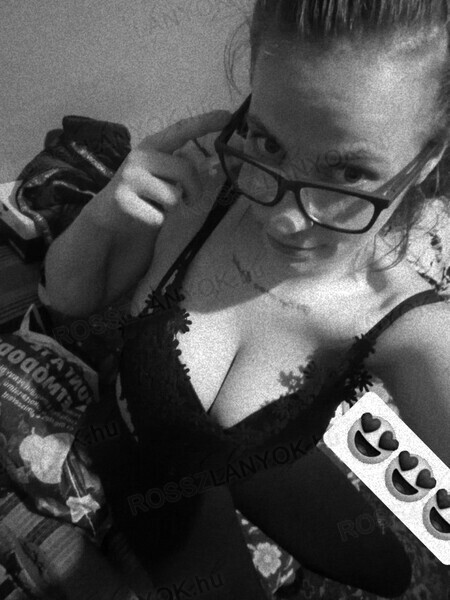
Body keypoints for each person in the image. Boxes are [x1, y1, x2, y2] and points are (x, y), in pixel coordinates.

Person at [41, 0, 450, 597]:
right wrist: (104, 212)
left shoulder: (413, 323)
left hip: (265, 461)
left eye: (350, 174)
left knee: (390, 573)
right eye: (269, 142)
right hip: (148, 463)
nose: (284, 219)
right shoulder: (205, 184)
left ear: (425, 161)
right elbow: (70, 298)